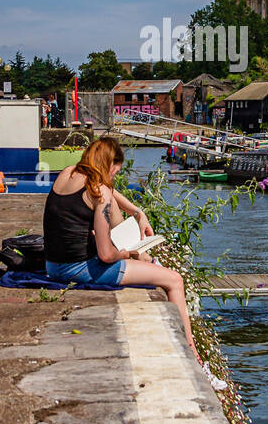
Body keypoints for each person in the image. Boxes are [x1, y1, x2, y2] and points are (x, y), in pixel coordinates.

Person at [43, 135, 199, 359]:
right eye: (115, 171)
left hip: (52, 266)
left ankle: (146, 260)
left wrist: (138, 212)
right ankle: (191, 352)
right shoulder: (100, 193)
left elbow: (107, 191)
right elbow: (106, 255)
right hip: (78, 269)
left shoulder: (67, 173)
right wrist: (128, 254)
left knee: (116, 213)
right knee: (174, 280)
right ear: (109, 164)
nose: (115, 176)